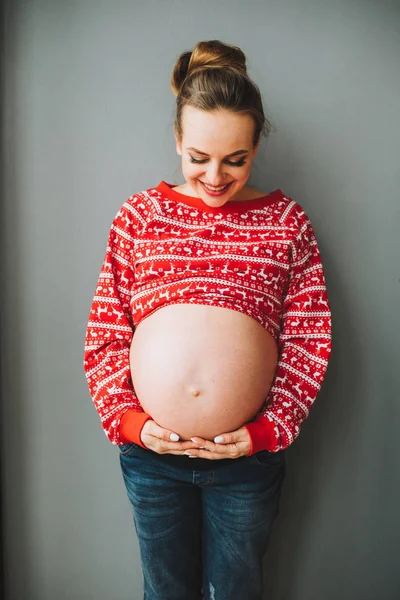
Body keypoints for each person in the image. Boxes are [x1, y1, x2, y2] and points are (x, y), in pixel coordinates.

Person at [83, 39, 332, 600]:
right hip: (152, 459)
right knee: (164, 593)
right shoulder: (138, 217)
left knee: (236, 593)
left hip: (246, 462)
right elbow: (105, 335)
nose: (215, 176)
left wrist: (267, 432)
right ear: (177, 139)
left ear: (256, 145)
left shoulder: (286, 223)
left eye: (235, 159)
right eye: (198, 157)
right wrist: (129, 423)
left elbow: (308, 340)